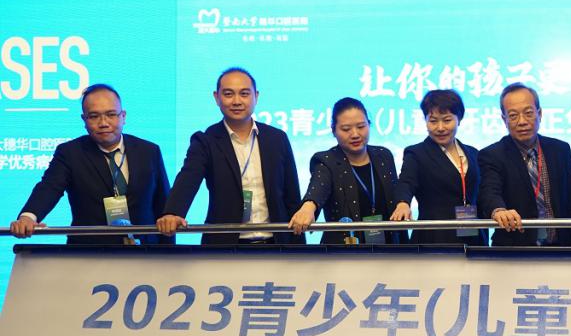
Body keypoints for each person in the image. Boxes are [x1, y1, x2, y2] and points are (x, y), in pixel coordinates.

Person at [156, 67, 303, 245]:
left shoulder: (277, 138)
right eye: (228, 94)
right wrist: (173, 212)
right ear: (216, 97)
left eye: (244, 94)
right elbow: (188, 178)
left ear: (256, 96)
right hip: (225, 246)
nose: (237, 101)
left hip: (276, 243)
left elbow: (292, 196)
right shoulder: (206, 140)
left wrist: (300, 248)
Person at [11, 83, 170, 245]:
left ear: (123, 116)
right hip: (89, 252)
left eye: (111, 114)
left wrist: (170, 253)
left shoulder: (149, 151)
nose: (103, 123)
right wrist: (28, 217)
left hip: (145, 251)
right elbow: (49, 187)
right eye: (94, 116)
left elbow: (164, 207)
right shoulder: (70, 153)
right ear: (84, 119)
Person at [479, 83, 571, 246]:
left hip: (562, 247)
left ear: (539, 114)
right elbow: (489, 192)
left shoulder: (560, 149)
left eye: (528, 113)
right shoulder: (492, 155)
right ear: (504, 119)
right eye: (513, 115)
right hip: (515, 248)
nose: (522, 121)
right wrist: (498, 210)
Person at [288, 97, 406, 245]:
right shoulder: (326, 160)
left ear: (369, 125)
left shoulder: (383, 156)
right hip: (343, 251)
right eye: (346, 129)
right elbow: (318, 188)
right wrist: (308, 207)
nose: (355, 134)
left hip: (389, 248)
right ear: (334, 130)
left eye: (361, 126)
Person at [389, 89, 486, 245]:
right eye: (433, 121)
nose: (440, 128)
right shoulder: (416, 153)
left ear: (459, 119)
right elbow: (406, 182)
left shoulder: (473, 153)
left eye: (447, 120)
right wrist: (403, 203)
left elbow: (483, 193)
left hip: (473, 238)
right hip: (434, 238)